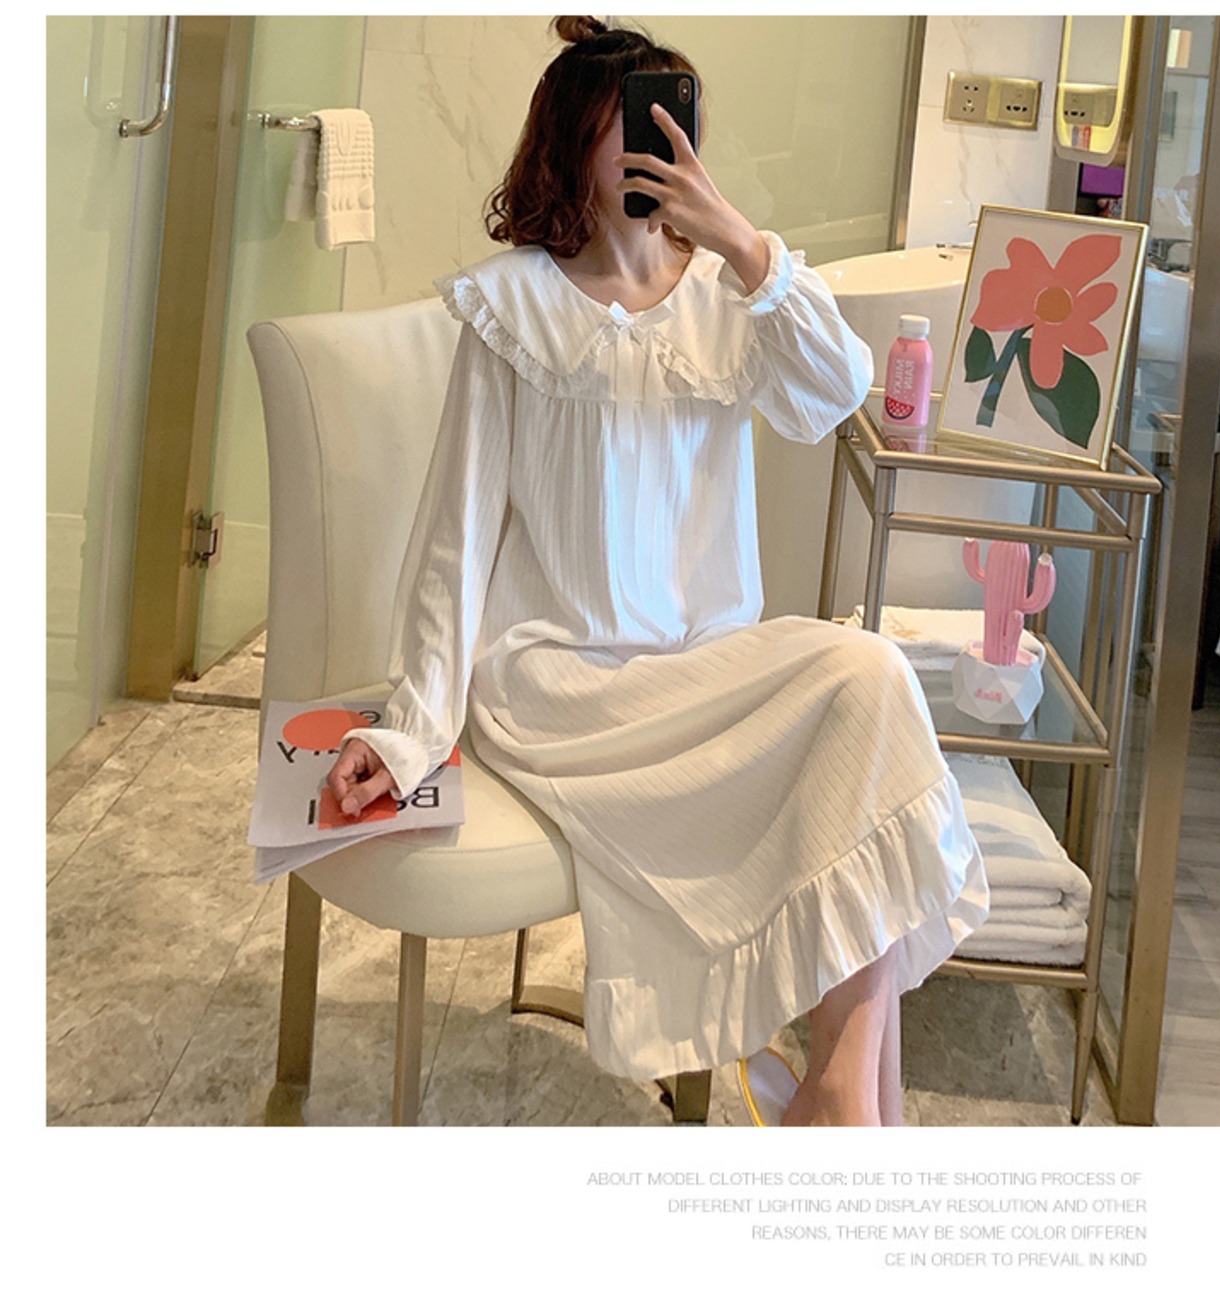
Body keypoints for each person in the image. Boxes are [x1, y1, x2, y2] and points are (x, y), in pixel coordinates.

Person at [327, 16, 988, 1126]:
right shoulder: (513, 308)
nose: (660, 144)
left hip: (704, 670)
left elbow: (836, 391)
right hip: (562, 686)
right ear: (572, 140)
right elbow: (454, 539)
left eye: (675, 122)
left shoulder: (733, 296)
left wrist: (740, 241)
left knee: (869, 683)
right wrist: (413, 726)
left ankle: (838, 1096)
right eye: (632, 123)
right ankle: (850, 1108)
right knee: (865, 699)